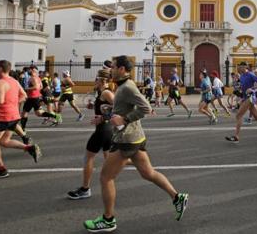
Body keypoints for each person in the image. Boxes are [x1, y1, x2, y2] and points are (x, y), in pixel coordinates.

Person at [83, 56, 188, 232]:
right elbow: (121, 110)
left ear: (123, 69)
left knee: (105, 177)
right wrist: (105, 117)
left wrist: (124, 118)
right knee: (148, 173)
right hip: (136, 137)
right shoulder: (122, 87)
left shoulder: (127, 87)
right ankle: (178, 198)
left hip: (126, 139)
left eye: (114, 67)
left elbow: (146, 108)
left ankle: (108, 219)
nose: (111, 70)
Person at [0, 60, 41, 179]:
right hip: (14, 116)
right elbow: (23, 96)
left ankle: (1, 170)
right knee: (4, 141)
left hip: (2, 116)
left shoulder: (0, 82)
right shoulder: (14, 81)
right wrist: (12, 103)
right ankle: (29, 148)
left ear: (0, 69)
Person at [68, 69, 114, 200]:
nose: (94, 81)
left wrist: (103, 118)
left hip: (103, 130)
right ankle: (138, 162)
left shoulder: (106, 92)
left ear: (101, 80)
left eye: (96, 79)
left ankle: (85, 189)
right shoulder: (101, 92)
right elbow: (105, 106)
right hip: (106, 130)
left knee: (88, 158)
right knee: (110, 159)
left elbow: (118, 107)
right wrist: (93, 105)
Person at [225, 62, 257, 143]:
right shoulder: (241, 76)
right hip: (246, 98)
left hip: (250, 97)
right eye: (238, 67)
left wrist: (252, 88)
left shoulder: (251, 75)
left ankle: (236, 137)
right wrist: (241, 94)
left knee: (238, 115)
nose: (239, 68)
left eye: (240, 67)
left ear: (245, 67)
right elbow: (243, 88)